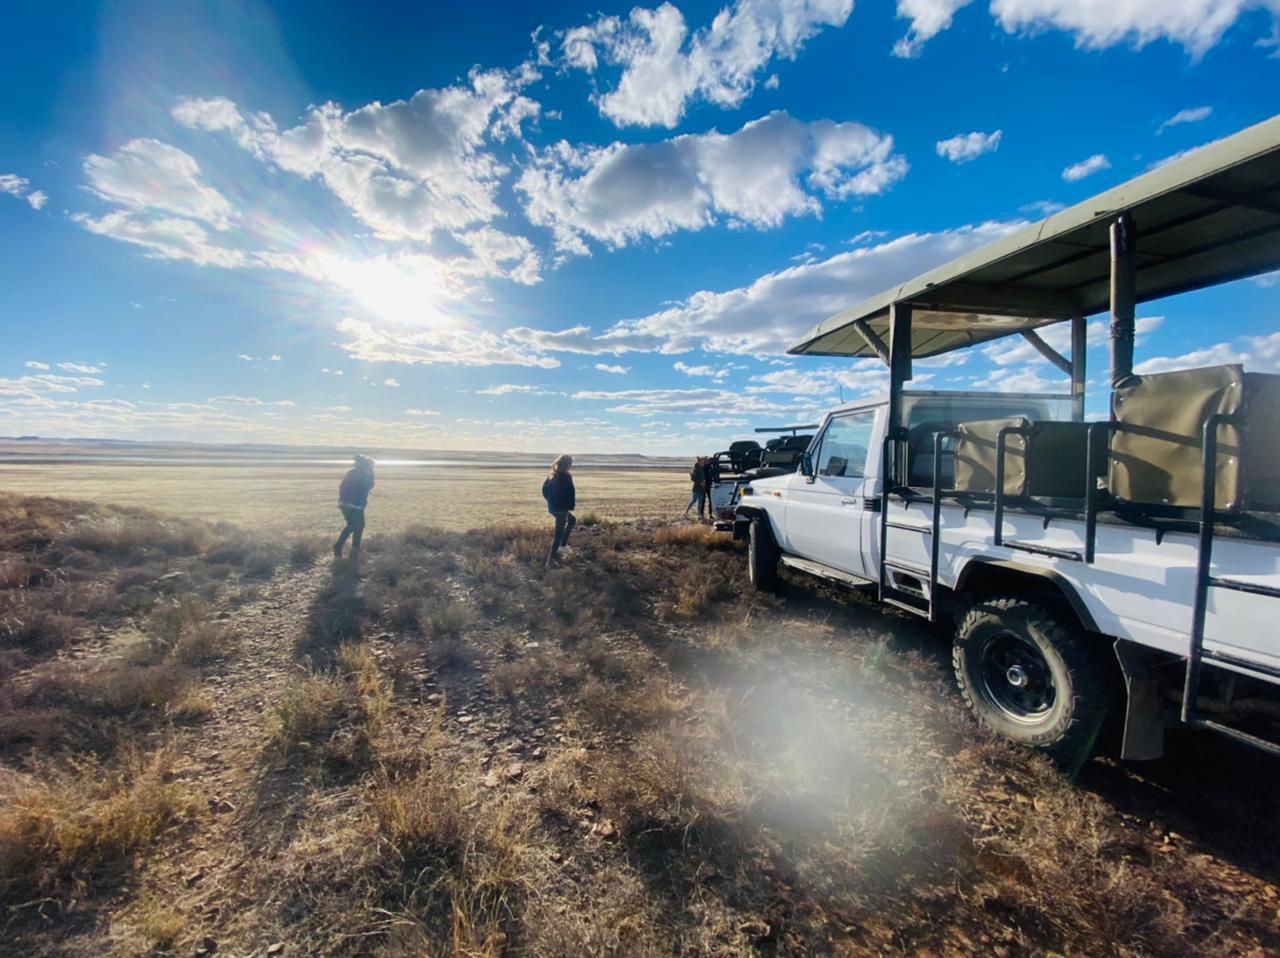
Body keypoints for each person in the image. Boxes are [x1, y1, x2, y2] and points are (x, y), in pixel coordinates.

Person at [334, 454, 375, 559]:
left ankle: (354, 550)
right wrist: (370, 474)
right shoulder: (362, 474)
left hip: (349, 504)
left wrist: (342, 500)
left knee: (356, 525)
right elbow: (369, 485)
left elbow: (342, 487)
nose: (372, 467)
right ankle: (340, 547)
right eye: (371, 466)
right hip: (353, 505)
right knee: (355, 525)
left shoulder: (353, 473)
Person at [542, 454, 576, 569]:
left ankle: (563, 545)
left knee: (572, 520)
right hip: (561, 509)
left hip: (554, 508)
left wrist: (551, 501)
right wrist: (569, 506)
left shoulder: (552, 475)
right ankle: (549, 561)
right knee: (558, 534)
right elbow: (570, 492)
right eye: (570, 464)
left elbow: (544, 490)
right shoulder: (566, 476)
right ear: (567, 465)